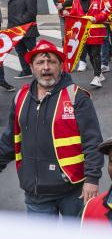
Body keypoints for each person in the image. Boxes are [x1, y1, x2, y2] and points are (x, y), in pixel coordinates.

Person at [0, 40, 103, 218]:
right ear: (31, 67)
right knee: (41, 238)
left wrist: (92, 179)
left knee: (76, 236)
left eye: (52, 62)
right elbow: (9, 140)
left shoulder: (77, 97)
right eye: (40, 62)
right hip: (36, 193)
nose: (46, 67)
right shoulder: (21, 97)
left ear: (61, 66)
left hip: (74, 190)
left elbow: (93, 141)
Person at [65, 0, 109, 88]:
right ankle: (99, 73)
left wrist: (95, 18)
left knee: (95, 53)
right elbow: (74, 15)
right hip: (83, 32)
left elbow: (105, 12)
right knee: (90, 55)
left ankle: (97, 77)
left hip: (96, 31)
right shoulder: (76, 1)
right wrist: (68, 15)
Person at [6, 0, 39, 79]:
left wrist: (18, 23)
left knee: (33, 51)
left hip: (27, 29)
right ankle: (26, 71)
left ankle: (43, 69)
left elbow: (31, 13)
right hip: (16, 30)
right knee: (20, 51)